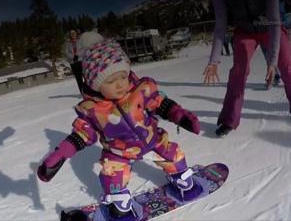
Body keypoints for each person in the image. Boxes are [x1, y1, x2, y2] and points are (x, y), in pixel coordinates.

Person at [37, 40, 200, 219]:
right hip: (119, 152)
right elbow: (81, 135)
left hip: (153, 140)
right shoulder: (94, 110)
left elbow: (159, 103)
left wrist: (179, 115)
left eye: (123, 76)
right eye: (111, 80)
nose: (120, 84)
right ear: (95, 84)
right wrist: (59, 156)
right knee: (112, 175)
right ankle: (119, 203)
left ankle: (181, 179)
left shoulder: (139, 91)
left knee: (175, 156)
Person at [203, 0, 291, 137]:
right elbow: (220, 23)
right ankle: (229, 119)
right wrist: (213, 61)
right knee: (238, 73)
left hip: (270, 28)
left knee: (286, 68)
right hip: (244, 32)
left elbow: (274, 22)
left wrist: (272, 62)